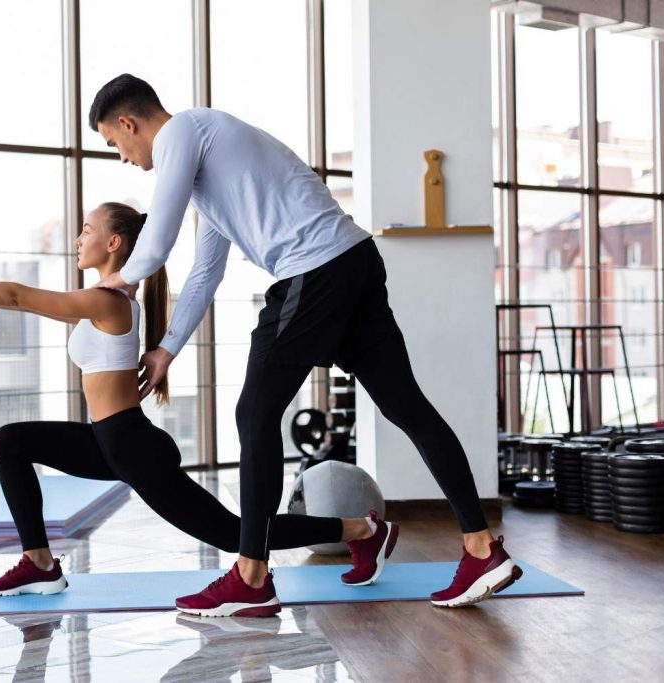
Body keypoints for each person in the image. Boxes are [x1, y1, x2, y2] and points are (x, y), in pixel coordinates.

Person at [87, 73, 523, 612]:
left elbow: (157, 241)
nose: (123, 157)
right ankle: (481, 548)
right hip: (354, 261)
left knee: (256, 412)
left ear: (128, 122)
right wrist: (167, 349)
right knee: (406, 406)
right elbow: (203, 273)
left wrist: (119, 282)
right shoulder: (213, 166)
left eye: (114, 143)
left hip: (314, 270)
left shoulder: (184, 133)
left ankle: (250, 577)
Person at [0, 201, 394, 614]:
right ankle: (39, 563)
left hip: (130, 445)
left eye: (86, 230)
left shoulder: (108, 301)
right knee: (10, 441)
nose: (77, 240)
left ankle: (362, 529)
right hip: (109, 439)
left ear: (114, 243)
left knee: (231, 533)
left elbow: (17, 296)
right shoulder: (107, 297)